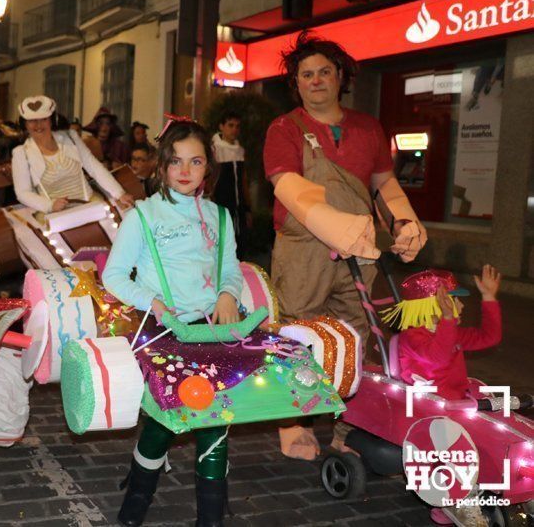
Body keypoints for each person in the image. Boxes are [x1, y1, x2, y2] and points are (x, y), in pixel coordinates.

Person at [263, 31, 427, 460]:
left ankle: (348, 423)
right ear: (296, 83)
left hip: (359, 249)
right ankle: (294, 422)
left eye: (324, 72)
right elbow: (288, 185)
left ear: (341, 77)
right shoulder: (285, 128)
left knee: (356, 337)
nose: (315, 80)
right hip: (303, 248)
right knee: (298, 333)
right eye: (306, 74)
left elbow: (383, 184)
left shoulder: (368, 128)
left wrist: (404, 221)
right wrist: (334, 226)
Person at [103, 120, 241, 527]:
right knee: (165, 422)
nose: (185, 170)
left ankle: (211, 518)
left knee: (215, 423)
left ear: (207, 168)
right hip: (162, 331)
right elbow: (114, 276)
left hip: (210, 330)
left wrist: (228, 293)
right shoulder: (143, 217)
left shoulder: (219, 216)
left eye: (195, 161)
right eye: (176, 161)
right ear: (161, 166)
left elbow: (230, 268)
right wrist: (156, 305)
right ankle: (134, 507)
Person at [391, 266, 502, 399]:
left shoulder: (451, 332)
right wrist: (448, 319)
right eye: (454, 300)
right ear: (433, 306)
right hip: (426, 406)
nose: (461, 305)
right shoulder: (410, 337)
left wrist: (488, 297)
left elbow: (489, 337)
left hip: (456, 402)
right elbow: (439, 357)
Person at [12, 96, 133, 214]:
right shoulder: (21, 153)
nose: (38, 125)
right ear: (25, 125)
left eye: (44, 119)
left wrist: (119, 193)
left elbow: (94, 167)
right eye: (32, 121)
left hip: (89, 204)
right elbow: (23, 192)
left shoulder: (71, 137)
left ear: (52, 120)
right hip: (54, 214)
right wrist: (50, 205)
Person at [212, 111, 248, 256]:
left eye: (237, 126)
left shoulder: (240, 150)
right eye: (230, 125)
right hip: (222, 203)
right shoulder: (216, 149)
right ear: (221, 126)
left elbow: (243, 179)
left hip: (238, 205)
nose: (234, 130)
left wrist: (247, 207)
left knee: (240, 240)